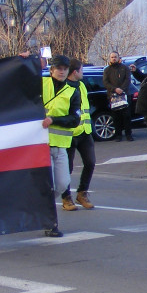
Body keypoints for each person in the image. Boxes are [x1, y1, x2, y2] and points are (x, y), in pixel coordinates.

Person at [42, 55, 81, 235]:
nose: (62, 71)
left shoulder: (72, 91)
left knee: (62, 183)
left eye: (65, 68)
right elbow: (20, 82)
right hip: (42, 146)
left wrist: (53, 120)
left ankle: (41, 207)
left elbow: (75, 119)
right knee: (48, 185)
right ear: (51, 70)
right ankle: (50, 224)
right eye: (59, 68)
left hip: (61, 146)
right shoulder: (42, 84)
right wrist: (23, 60)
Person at [63, 59, 96, 210]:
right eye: (81, 70)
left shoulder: (81, 85)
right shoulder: (63, 86)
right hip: (69, 134)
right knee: (67, 168)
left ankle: (82, 193)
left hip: (85, 132)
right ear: (75, 72)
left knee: (90, 162)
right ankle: (66, 197)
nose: (83, 72)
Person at [102, 51, 133, 141]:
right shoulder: (107, 70)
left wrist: (121, 89)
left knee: (127, 116)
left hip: (125, 95)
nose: (114, 58)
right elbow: (105, 82)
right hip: (113, 96)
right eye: (112, 57)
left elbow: (128, 80)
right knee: (116, 117)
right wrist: (115, 89)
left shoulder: (125, 68)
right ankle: (118, 135)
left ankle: (128, 135)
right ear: (110, 58)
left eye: (115, 57)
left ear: (119, 58)